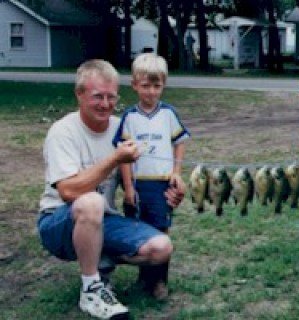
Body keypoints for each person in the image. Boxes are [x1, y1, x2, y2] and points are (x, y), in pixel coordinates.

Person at [37, 59, 185, 319]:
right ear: (79, 94)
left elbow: (152, 168)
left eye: (111, 97)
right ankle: (92, 290)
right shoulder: (63, 131)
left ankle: (101, 263)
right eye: (97, 97)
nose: (105, 104)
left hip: (102, 219)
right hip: (58, 223)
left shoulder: (125, 126)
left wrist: (172, 187)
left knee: (161, 247)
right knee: (91, 201)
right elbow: (69, 192)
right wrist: (114, 159)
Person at [113, 53, 190, 299]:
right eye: (145, 86)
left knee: (160, 231)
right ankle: (143, 278)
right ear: (134, 85)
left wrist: (176, 172)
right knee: (139, 232)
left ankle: (159, 281)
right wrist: (128, 188)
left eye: (157, 86)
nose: (151, 92)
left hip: (160, 185)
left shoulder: (168, 114)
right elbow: (122, 154)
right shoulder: (130, 117)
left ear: (163, 85)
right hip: (137, 185)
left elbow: (180, 142)